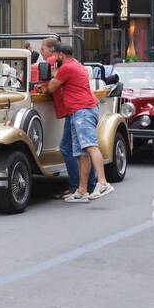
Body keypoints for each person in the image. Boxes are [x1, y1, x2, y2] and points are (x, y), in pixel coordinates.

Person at [43, 43, 112, 202]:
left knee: (90, 146)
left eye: (56, 55)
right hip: (80, 110)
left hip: (82, 111)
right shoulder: (76, 64)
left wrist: (53, 75)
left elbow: (51, 88)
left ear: (61, 55)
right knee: (81, 153)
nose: (55, 58)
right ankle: (82, 191)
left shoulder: (66, 68)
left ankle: (102, 183)